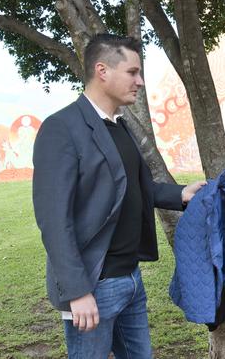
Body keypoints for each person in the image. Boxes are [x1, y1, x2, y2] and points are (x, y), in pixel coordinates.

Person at [32, 33, 205, 358]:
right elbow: (54, 220)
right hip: (94, 285)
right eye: (132, 72)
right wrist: (77, 291)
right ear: (102, 71)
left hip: (130, 279)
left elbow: (132, 189)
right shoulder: (62, 128)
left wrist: (181, 193)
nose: (139, 81)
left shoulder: (119, 126)